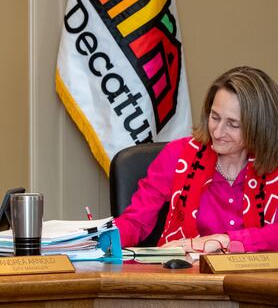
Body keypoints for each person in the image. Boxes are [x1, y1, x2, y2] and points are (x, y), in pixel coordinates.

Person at [115, 66, 278, 253]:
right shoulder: (177, 155)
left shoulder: (273, 163)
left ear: (259, 126)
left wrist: (224, 240)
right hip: (185, 269)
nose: (218, 132)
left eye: (233, 124)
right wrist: (97, 239)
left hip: (259, 271)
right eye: (215, 117)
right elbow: (136, 221)